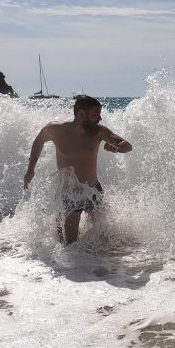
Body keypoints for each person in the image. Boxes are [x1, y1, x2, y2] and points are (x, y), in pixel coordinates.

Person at [23, 95, 133, 244]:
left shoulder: (98, 131)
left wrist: (117, 148)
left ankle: (100, 265)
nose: (100, 118)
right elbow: (38, 141)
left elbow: (128, 146)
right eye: (95, 114)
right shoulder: (56, 129)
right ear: (81, 114)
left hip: (93, 191)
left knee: (105, 240)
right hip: (69, 194)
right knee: (69, 245)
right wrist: (31, 169)